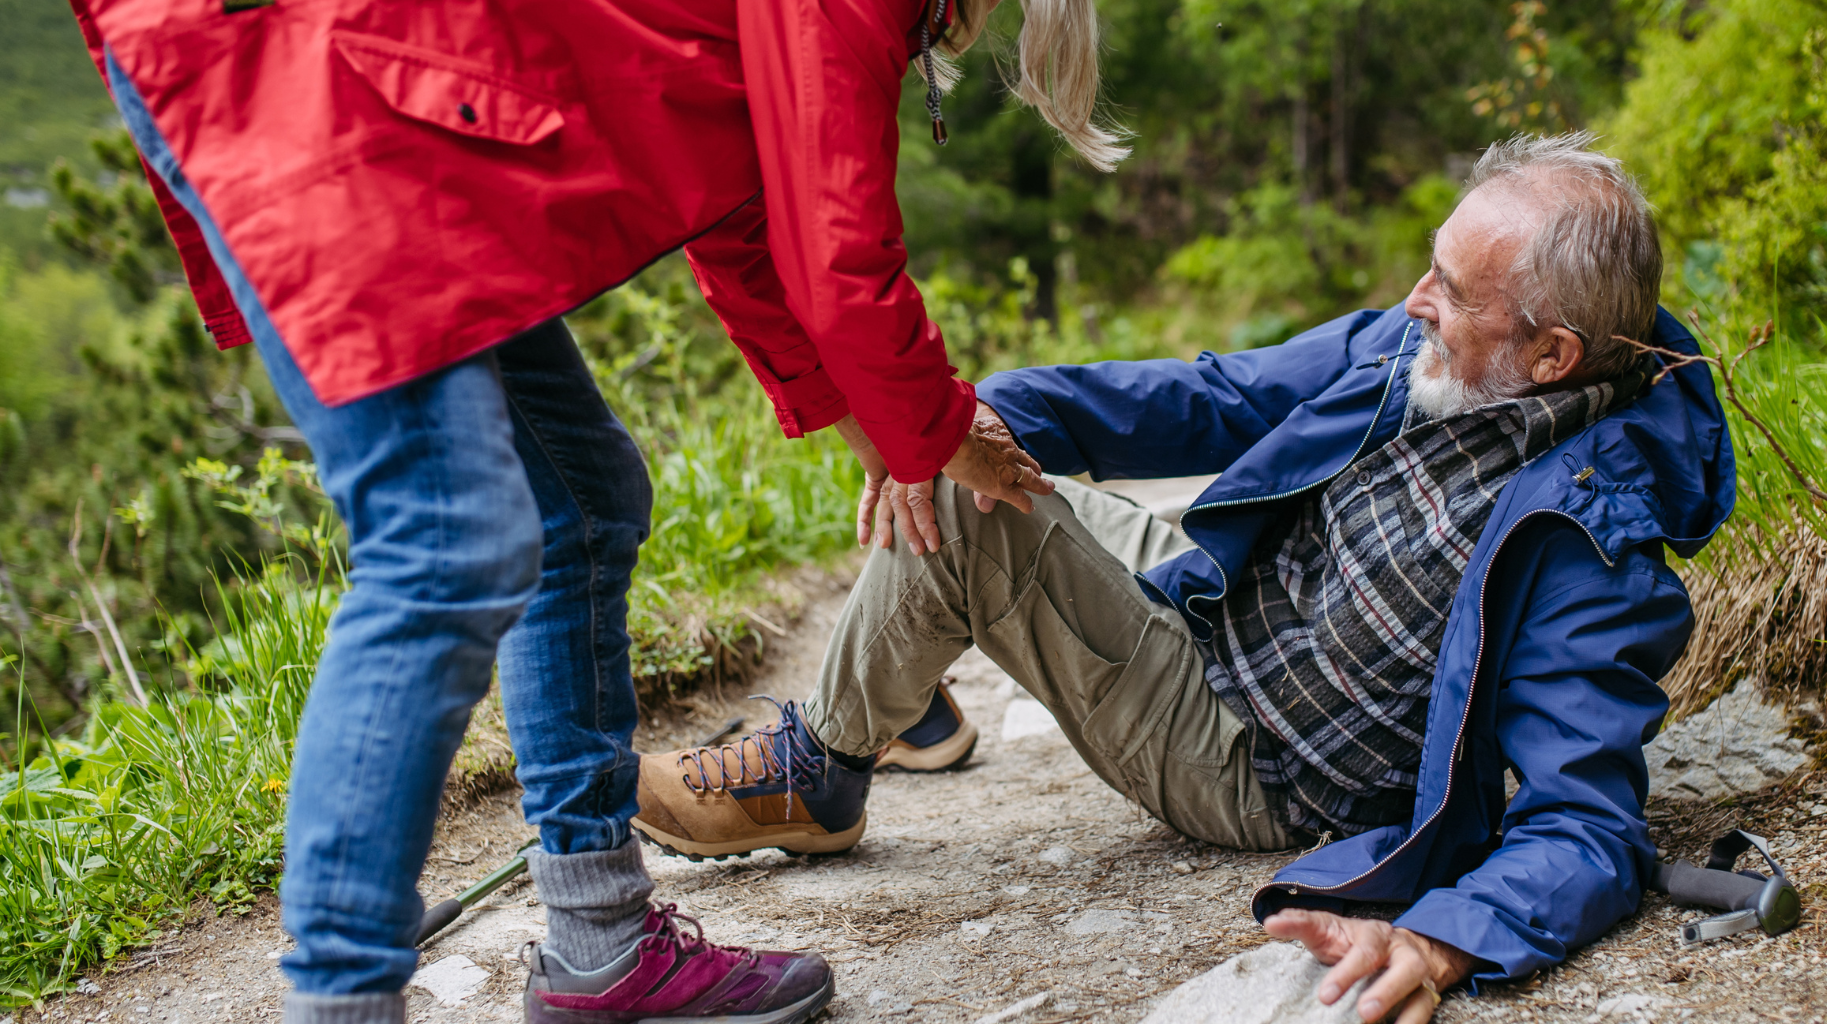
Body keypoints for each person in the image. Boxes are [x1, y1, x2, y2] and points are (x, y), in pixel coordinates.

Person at [56, 0, 1134, 1019]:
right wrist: (942, 432)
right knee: (445, 544)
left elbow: (749, 225)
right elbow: (842, 261)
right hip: (318, 71)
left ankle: (598, 939)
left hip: (369, 81)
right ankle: (340, 994)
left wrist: (895, 441)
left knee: (578, 498)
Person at [632, 132, 1737, 1023]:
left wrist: (1444, 936)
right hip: (1212, 602)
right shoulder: (1429, 355)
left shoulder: (1593, 552)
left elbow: (1584, 827)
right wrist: (992, 410)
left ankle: (819, 768)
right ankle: (901, 689)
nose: (1413, 301)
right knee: (976, 457)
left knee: (976, 516)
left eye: (1450, 291)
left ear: (1551, 355)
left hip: (1244, 751)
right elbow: (1214, 394)